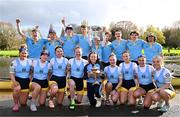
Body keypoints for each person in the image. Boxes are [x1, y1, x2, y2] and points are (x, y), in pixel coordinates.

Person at [10, 44, 32, 112]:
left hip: (26, 81)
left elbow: (32, 71)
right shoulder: (14, 62)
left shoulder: (30, 61)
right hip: (18, 80)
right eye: (22, 53)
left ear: (27, 54)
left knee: (23, 104)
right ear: (19, 53)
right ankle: (16, 104)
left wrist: (31, 78)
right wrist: (14, 82)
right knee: (17, 89)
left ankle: (23, 95)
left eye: (25, 53)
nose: (24, 54)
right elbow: (11, 73)